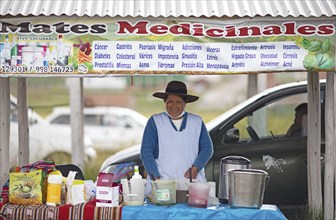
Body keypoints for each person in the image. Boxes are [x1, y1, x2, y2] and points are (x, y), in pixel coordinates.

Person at [140, 80, 214, 189]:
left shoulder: (196, 122)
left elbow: (207, 149)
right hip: (162, 183)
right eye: (170, 101)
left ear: (185, 103)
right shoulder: (155, 121)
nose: (174, 105)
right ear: (165, 102)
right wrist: (155, 177)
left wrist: (196, 168)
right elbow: (146, 152)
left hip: (191, 184)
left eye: (178, 102)